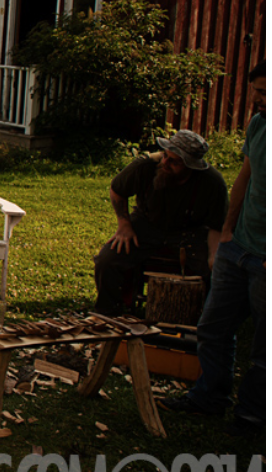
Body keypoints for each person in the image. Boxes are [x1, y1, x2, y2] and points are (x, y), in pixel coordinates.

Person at [162, 60, 265, 436]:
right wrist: (227, 231)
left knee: (263, 348)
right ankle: (210, 396)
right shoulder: (258, 125)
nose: (258, 100)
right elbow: (245, 178)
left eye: (265, 93)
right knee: (214, 327)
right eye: (256, 91)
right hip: (239, 246)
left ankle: (253, 416)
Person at [93, 129, 228, 315]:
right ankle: (107, 311)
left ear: (191, 166)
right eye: (165, 156)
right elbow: (118, 190)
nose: (166, 163)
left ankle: (205, 316)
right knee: (107, 259)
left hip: (190, 232)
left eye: (175, 161)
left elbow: (216, 225)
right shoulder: (146, 165)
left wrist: (214, 256)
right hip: (146, 224)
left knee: (213, 271)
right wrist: (124, 225)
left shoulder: (212, 183)